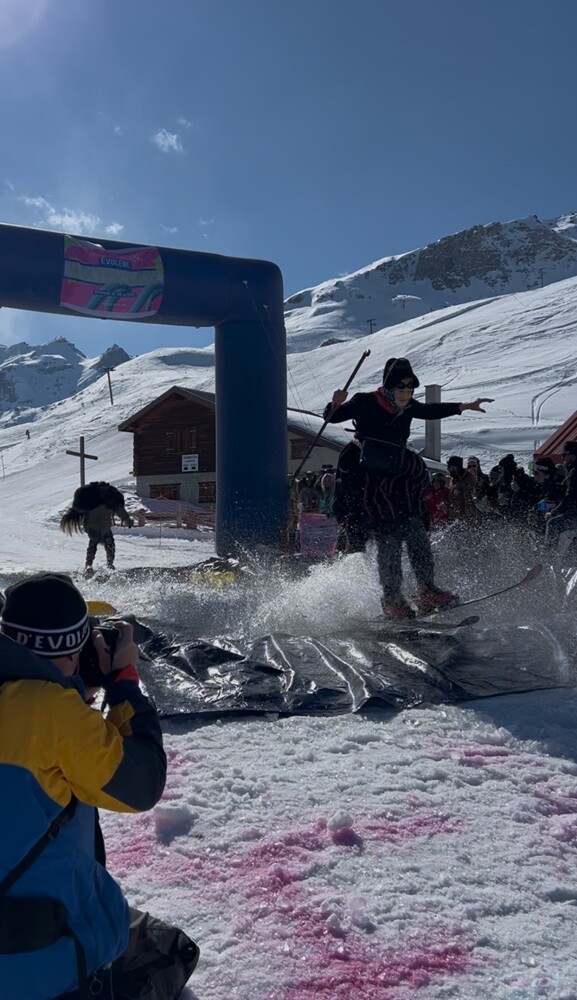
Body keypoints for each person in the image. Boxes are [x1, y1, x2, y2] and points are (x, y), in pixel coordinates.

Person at [0, 572, 199, 1000]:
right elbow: (140, 783)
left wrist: (71, 690)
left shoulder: (36, 706)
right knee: (172, 950)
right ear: (73, 649)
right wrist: (124, 683)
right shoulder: (52, 715)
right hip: (35, 964)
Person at [324, 356, 494, 618]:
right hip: (366, 476)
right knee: (389, 536)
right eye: (400, 389)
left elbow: (430, 410)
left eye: (409, 390)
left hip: (396, 476)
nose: (405, 395)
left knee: (415, 531)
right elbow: (332, 417)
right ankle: (392, 599)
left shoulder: (408, 406)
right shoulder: (365, 400)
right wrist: (335, 403)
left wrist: (465, 406)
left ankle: (426, 591)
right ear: (389, 387)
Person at [60, 481, 134, 575]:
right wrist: (127, 520)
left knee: (101, 542)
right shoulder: (111, 498)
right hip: (97, 525)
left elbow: (120, 511)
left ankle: (94, 565)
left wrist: (126, 519)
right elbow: (120, 510)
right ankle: (98, 565)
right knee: (105, 542)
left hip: (96, 525)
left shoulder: (93, 499)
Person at [544, 441, 577, 552]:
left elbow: (569, 497)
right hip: (570, 509)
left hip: (573, 510)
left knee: (553, 523)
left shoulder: (573, 472)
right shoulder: (571, 471)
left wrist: (553, 512)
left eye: (564, 455)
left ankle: (547, 558)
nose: (562, 458)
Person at [446, 456, 478, 524]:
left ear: (456, 467)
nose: (449, 469)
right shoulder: (453, 480)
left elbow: (469, 499)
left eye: (451, 467)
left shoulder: (467, 479)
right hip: (454, 518)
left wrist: (468, 519)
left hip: (466, 519)